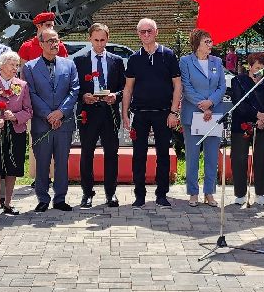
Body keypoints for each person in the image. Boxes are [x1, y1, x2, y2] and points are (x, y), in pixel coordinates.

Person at [121, 17, 182, 208]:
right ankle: (139, 194)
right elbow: (128, 89)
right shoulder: (134, 59)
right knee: (139, 155)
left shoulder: (168, 55)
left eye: (149, 31)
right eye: (142, 31)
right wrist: (124, 114)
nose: (146, 34)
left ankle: (161, 194)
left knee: (163, 154)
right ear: (138, 34)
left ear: (156, 32)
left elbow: (177, 85)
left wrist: (174, 112)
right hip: (140, 113)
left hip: (164, 113)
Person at [26, 28, 78, 211]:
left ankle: (60, 198)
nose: (54, 44)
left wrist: (61, 112)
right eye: (50, 41)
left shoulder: (69, 65)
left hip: (64, 123)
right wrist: (48, 114)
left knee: (62, 162)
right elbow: (31, 93)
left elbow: (74, 90)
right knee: (42, 162)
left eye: (56, 40)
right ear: (41, 44)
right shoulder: (30, 67)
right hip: (42, 123)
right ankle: (42, 198)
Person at [74, 23, 125, 209]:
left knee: (111, 153)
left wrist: (116, 96)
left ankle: (111, 193)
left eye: (103, 40)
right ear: (89, 39)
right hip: (88, 112)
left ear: (107, 39)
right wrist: (83, 96)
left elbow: (124, 88)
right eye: (96, 40)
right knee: (87, 153)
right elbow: (73, 87)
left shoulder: (116, 61)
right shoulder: (79, 61)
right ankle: (87, 193)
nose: (99, 44)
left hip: (109, 113)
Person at [179, 30, 227, 206]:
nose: (210, 44)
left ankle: (209, 192)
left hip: (213, 114)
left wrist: (210, 103)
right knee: (192, 156)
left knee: (212, 156)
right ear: (197, 44)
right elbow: (186, 87)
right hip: (193, 114)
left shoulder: (217, 62)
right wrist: (202, 105)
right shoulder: (185, 61)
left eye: (211, 41)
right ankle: (193, 192)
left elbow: (222, 86)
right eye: (206, 41)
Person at [229, 51, 264, 208]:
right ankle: (240, 194)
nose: (260, 71)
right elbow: (239, 104)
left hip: (262, 125)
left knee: (262, 159)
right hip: (241, 124)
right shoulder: (238, 81)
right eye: (257, 67)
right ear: (249, 67)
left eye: (263, 67)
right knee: (239, 159)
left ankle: (260, 193)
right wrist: (256, 115)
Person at [0, 51, 31, 215]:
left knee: (12, 167)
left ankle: (8, 203)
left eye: (17, 65)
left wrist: (14, 116)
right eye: (12, 65)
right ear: (1, 66)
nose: (16, 68)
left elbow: (28, 110)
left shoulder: (22, 85)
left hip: (16, 130)